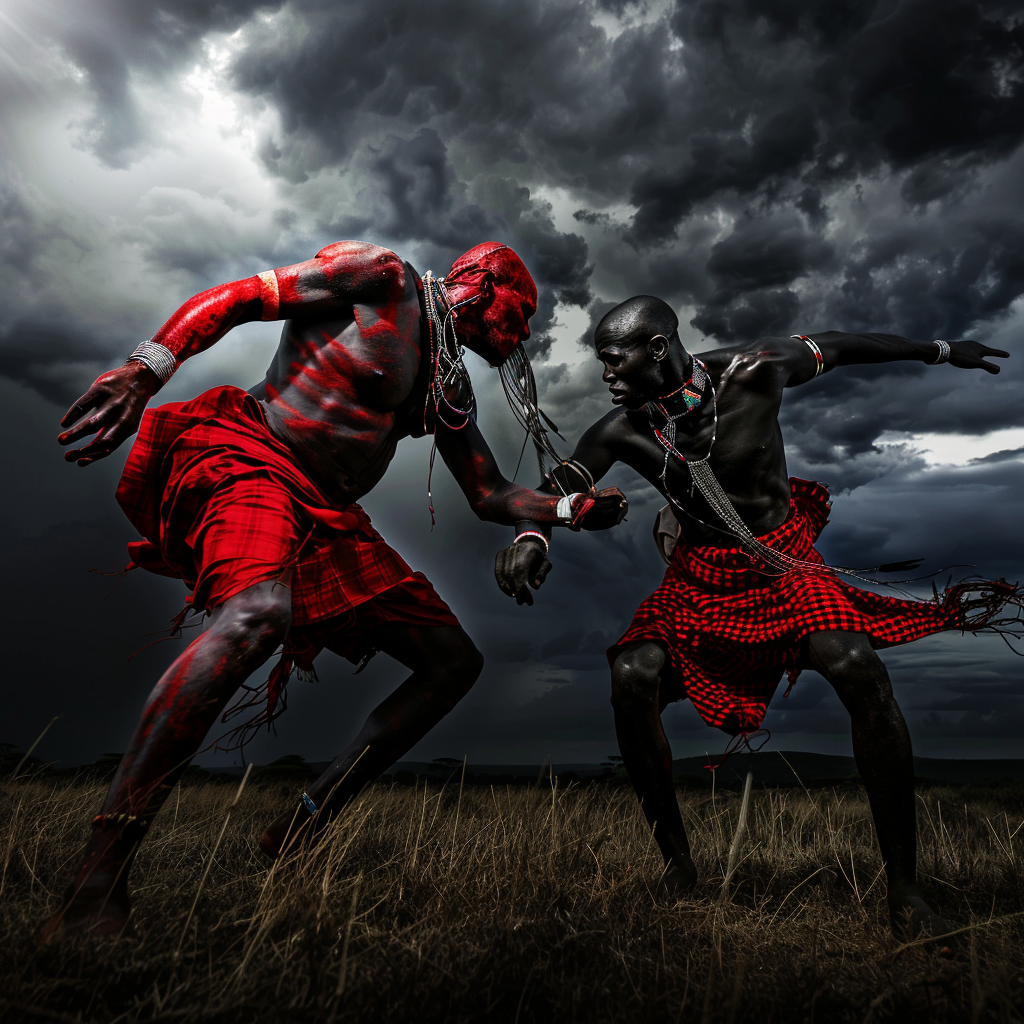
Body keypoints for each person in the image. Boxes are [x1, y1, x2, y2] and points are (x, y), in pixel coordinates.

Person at [45, 239, 627, 939]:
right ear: (477, 283)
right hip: (253, 458)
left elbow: (489, 493)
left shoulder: (449, 383)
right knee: (258, 614)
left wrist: (568, 511)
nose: (526, 331)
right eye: (521, 309)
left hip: (328, 515)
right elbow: (239, 299)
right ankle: (99, 875)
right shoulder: (379, 277)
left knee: (452, 662)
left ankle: (302, 824)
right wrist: (145, 372)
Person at [494, 295, 1020, 938]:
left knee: (857, 665)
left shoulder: (758, 367)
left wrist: (942, 351)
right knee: (632, 673)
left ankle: (905, 887)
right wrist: (534, 537)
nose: (605, 372)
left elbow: (851, 344)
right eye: (601, 361)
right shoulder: (622, 430)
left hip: (785, 566)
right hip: (700, 582)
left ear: (657, 347)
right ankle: (679, 868)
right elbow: (557, 487)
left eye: (613, 357)